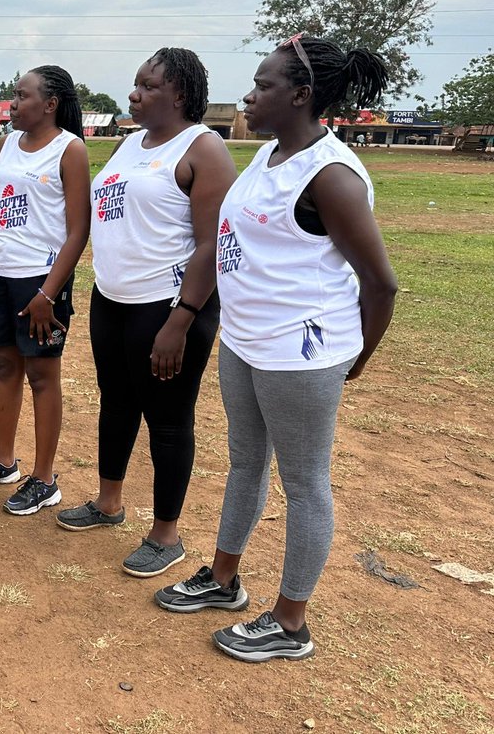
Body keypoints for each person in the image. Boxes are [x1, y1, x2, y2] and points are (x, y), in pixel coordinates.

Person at [154, 35, 397, 663]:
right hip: (245, 341)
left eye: (262, 85)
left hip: (301, 353)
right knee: (243, 463)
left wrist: (354, 358)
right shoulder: (268, 156)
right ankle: (224, 578)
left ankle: (291, 621)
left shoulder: (333, 176)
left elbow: (381, 283)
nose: (250, 94)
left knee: (305, 481)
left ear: (300, 94)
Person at [55, 48, 238, 577]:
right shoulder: (130, 143)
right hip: (112, 300)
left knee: (169, 419)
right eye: (135, 84)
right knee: (116, 404)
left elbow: (211, 245)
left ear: (179, 93)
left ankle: (166, 535)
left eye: (147, 85)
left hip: (168, 309)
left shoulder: (204, 149)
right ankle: (108, 503)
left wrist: (182, 319)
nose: (133, 94)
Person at [0, 67, 91, 514]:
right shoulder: (6, 144)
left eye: (21, 95)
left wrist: (49, 293)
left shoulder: (69, 150)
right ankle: (4, 461)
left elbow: (78, 232)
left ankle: (45, 478)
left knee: (42, 374)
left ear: (50, 103)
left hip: (42, 283)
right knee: (4, 365)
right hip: (1, 275)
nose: (12, 103)